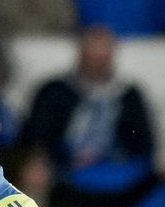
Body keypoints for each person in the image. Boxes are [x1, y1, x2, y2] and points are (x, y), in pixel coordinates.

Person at [19, 26, 154, 173]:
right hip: (60, 169)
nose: (97, 65)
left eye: (103, 58)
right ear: (80, 55)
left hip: (116, 170)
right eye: (92, 58)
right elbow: (35, 138)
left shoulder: (129, 95)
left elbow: (144, 143)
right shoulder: (54, 91)